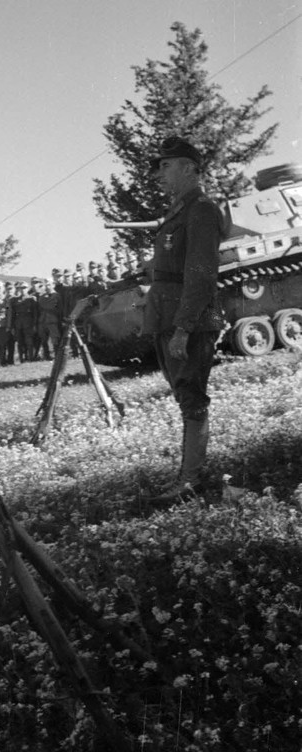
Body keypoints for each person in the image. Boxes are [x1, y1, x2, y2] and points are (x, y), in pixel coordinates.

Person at [143, 136, 229, 503]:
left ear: (190, 168)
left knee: (192, 399)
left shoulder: (202, 210)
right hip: (168, 317)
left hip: (187, 320)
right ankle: (188, 477)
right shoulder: (180, 212)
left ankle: (190, 483)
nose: (159, 173)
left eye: (166, 165)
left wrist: (183, 328)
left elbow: (200, 273)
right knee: (185, 397)